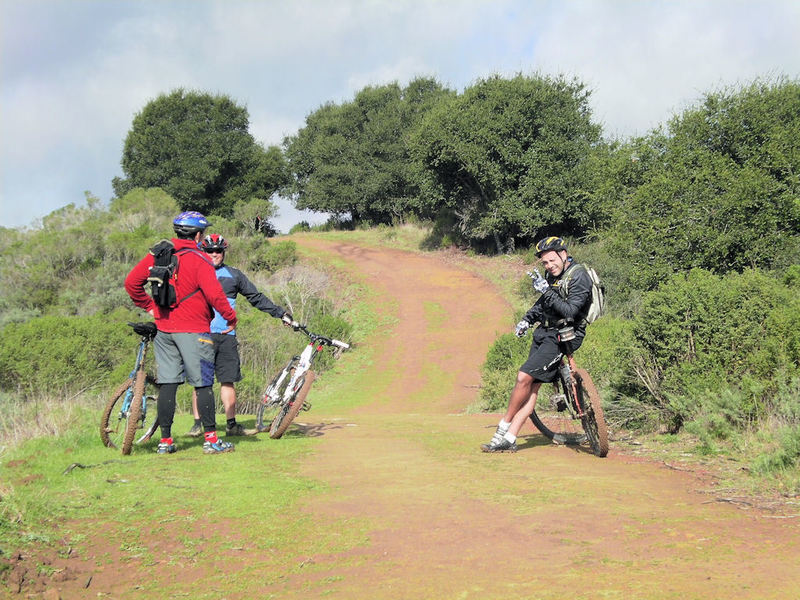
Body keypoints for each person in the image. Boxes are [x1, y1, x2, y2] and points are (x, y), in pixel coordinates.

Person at [124, 211, 238, 455]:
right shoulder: (200, 259)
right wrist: (231, 317)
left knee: (168, 384)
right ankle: (211, 439)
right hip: (195, 330)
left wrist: (151, 307)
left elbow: (131, 283)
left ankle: (165, 442)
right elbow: (215, 295)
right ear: (198, 234)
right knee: (203, 384)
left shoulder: (159, 254)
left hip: (164, 329)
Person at [481, 236, 593, 453]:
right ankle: (511, 438)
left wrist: (546, 291)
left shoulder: (579, 276)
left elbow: (570, 310)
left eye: (552, 260)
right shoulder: (551, 276)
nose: (549, 266)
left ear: (563, 254)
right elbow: (543, 304)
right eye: (545, 263)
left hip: (564, 336)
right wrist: (527, 319)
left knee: (523, 377)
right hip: (544, 333)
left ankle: (502, 427)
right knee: (531, 389)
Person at [186, 233, 294, 437]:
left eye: (218, 250)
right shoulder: (194, 273)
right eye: (209, 250)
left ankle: (231, 425)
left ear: (224, 252)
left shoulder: (234, 275)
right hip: (200, 333)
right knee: (200, 382)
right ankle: (197, 424)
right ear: (203, 251)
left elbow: (256, 297)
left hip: (227, 336)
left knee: (228, 380)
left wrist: (280, 313)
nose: (214, 254)